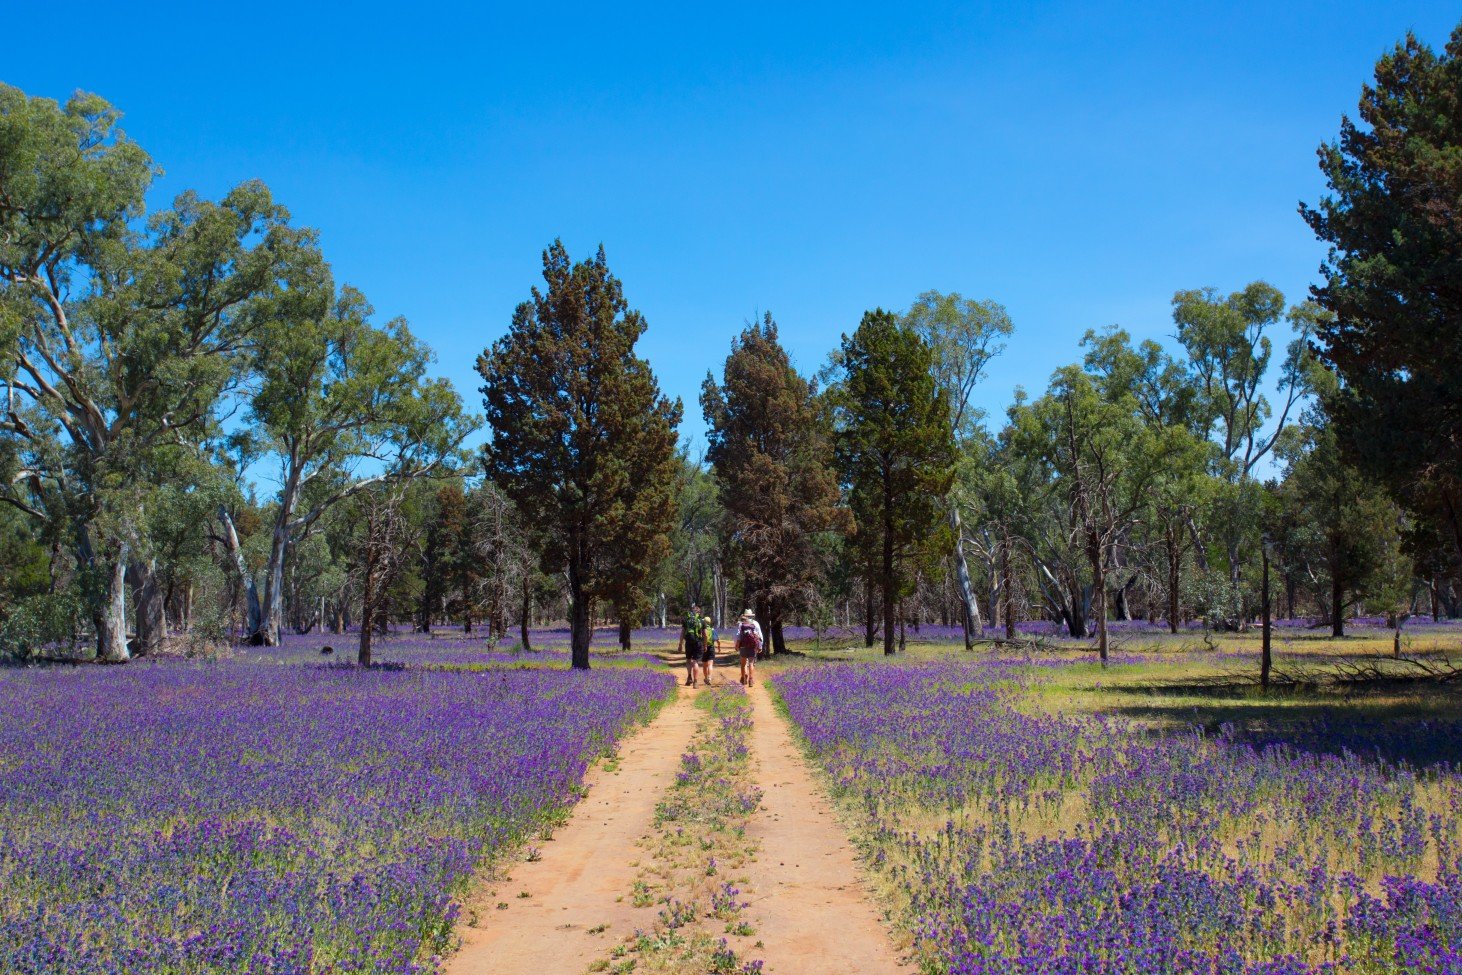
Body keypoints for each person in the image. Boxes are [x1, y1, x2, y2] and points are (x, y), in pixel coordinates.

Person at [677, 604, 704, 687]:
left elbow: (682, 633)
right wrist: (705, 644)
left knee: (688, 660)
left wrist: (680, 644)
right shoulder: (701, 621)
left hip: (688, 642)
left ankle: (689, 677)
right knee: (695, 662)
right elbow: (705, 634)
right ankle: (695, 682)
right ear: (699, 612)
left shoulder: (686, 620)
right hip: (698, 642)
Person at [735, 608, 763, 687]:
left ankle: (743, 678)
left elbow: (737, 636)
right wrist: (760, 646)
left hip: (743, 646)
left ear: (745, 615)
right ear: (751, 616)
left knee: (743, 664)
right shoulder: (755, 623)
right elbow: (759, 635)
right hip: (752, 646)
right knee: (751, 663)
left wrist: (736, 646)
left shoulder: (741, 624)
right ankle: (751, 679)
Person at [698, 614, 718, 686]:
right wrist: (719, 647)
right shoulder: (712, 630)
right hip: (711, 647)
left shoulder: (701, 629)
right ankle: (709, 677)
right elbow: (716, 639)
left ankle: (706, 678)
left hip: (703, 647)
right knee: (710, 664)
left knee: (704, 665)